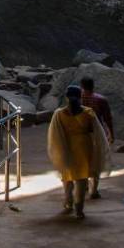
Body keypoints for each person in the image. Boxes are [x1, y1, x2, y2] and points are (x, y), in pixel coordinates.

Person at [47, 85, 111, 219]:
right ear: (81, 96)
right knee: (81, 179)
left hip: (66, 146)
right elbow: (97, 133)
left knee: (67, 177)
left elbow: (55, 134)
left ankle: (68, 202)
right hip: (84, 147)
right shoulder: (88, 113)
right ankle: (79, 210)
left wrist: (59, 148)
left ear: (66, 97)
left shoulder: (59, 114)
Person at [80, 77, 113, 199]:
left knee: (83, 159)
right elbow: (107, 118)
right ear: (93, 86)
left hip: (81, 133)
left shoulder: (78, 99)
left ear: (82, 86)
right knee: (96, 160)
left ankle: (82, 185)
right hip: (96, 133)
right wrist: (111, 133)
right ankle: (94, 191)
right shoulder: (101, 99)